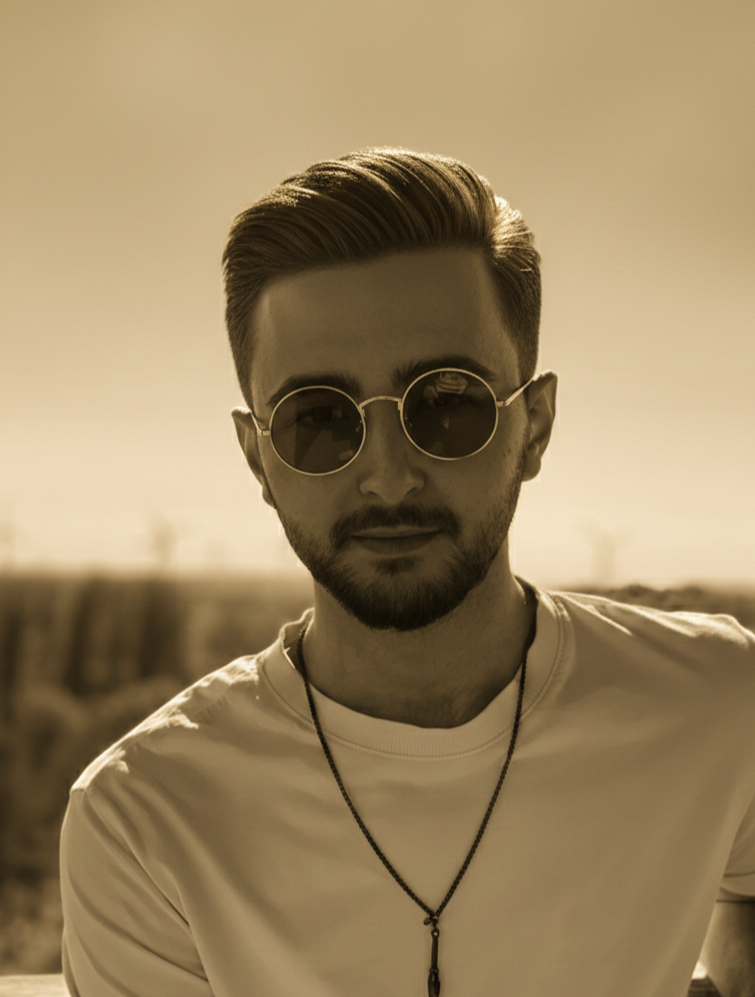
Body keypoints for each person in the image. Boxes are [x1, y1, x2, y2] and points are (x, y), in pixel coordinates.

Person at [59, 148, 755, 997]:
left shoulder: (720, 704)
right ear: (257, 458)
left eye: (446, 401)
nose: (387, 475)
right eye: (319, 419)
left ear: (532, 426)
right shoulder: (146, 816)